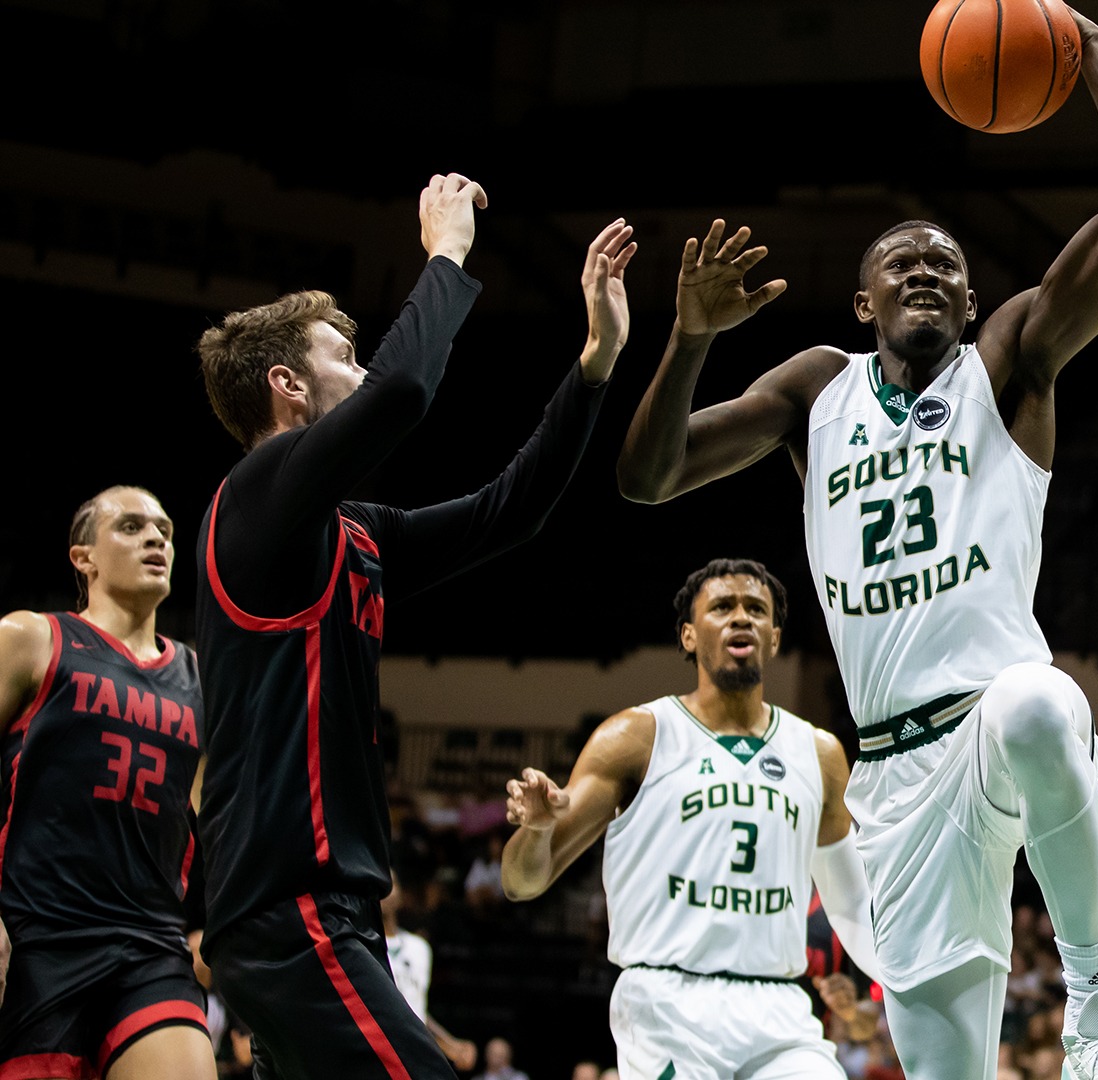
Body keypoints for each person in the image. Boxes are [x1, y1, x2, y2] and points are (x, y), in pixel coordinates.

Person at [612, 9, 1098, 1080]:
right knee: (943, 1065)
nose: (925, 270)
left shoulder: (1009, 360)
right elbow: (648, 478)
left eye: (945, 264)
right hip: (894, 776)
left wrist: (1091, 56)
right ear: (863, 299)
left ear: (970, 300)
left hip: (990, 725)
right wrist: (689, 339)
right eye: (900, 262)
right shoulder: (816, 390)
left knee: (1041, 700)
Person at [192, 174, 634, 1078]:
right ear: (285, 384)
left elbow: (508, 512)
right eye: (343, 353)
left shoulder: (349, 532)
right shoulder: (254, 498)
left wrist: (593, 365)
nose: (362, 368)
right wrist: (445, 251)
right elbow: (399, 393)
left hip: (327, 911)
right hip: (290, 909)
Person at [500, 560, 880, 1080]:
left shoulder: (819, 754)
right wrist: (538, 829)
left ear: (773, 638)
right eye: (722, 607)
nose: (740, 618)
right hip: (666, 1003)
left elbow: (854, 903)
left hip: (778, 1009)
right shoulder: (635, 737)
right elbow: (521, 882)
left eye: (756, 610)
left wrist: (908, 984)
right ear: (688, 635)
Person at [0, 487, 215, 1079]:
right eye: (131, 526)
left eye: (165, 531)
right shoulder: (30, 639)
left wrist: (228, 925)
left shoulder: (198, 678)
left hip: (151, 946)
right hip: (38, 942)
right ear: (83, 557)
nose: (156, 539)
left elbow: (220, 821)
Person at [379, 877, 477, 1071]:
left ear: (401, 895)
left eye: (390, 882)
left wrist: (451, 1044)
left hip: (413, 1055)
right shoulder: (360, 947)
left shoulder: (420, 948)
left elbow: (417, 1011)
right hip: (378, 1051)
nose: (383, 889)